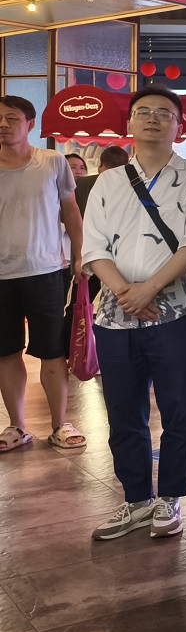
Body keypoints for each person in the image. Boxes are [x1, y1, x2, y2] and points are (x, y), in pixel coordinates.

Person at [83, 87, 186, 539]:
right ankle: (136, 499)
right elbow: (93, 246)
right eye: (143, 112)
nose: (153, 119)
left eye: (165, 113)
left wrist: (149, 289)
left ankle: (170, 498)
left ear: (179, 125)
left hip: (175, 310)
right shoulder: (108, 181)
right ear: (130, 123)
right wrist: (126, 292)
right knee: (123, 410)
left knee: (178, 408)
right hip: (114, 314)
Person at [0, 96, 86, 454]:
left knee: (52, 352)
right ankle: (16, 426)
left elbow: (71, 212)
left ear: (30, 124)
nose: (3, 124)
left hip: (47, 270)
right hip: (1, 276)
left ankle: (59, 424)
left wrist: (80, 256)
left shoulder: (52, 161)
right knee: (6, 353)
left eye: (11, 118)